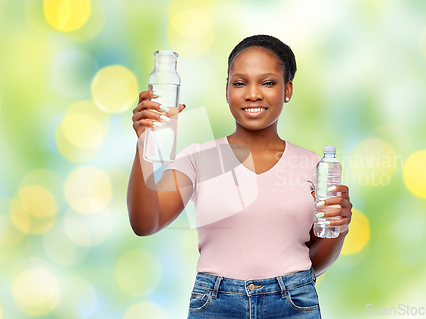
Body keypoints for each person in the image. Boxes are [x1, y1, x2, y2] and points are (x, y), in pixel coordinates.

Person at [127, 34, 353, 318]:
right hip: (216, 305)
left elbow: (311, 261)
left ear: (288, 90)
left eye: (268, 82)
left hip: (293, 304)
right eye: (240, 82)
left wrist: (340, 228)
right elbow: (146, 223)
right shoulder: (200, 158)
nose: (253, 94)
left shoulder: (314, 166)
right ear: (227, 90)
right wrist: (144, 142)